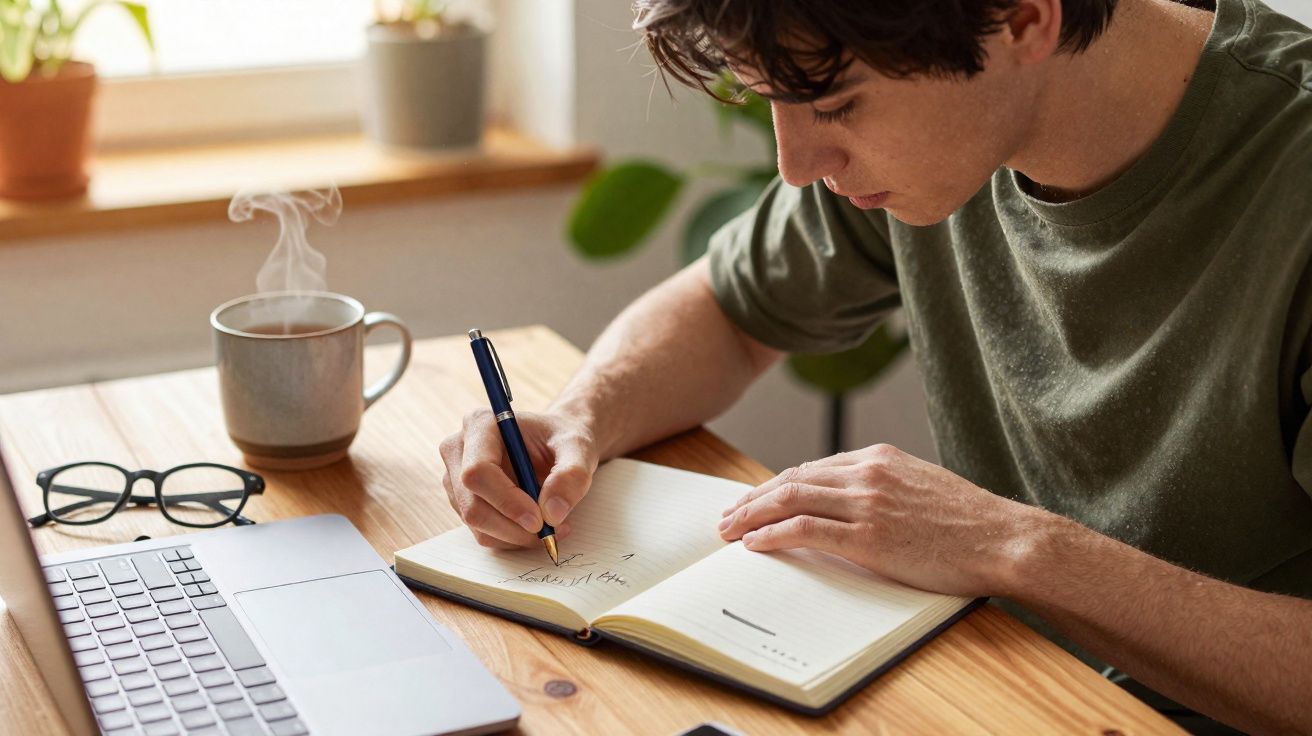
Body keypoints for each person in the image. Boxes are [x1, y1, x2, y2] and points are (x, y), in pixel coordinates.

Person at [438, 0, 1312, 731]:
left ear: (1021, 19)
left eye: (838, 106)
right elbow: (727, 312)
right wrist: (582, 416)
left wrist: (1013, 546)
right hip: (993, 692)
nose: (794, 165)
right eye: (769, 103)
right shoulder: (950, 126)